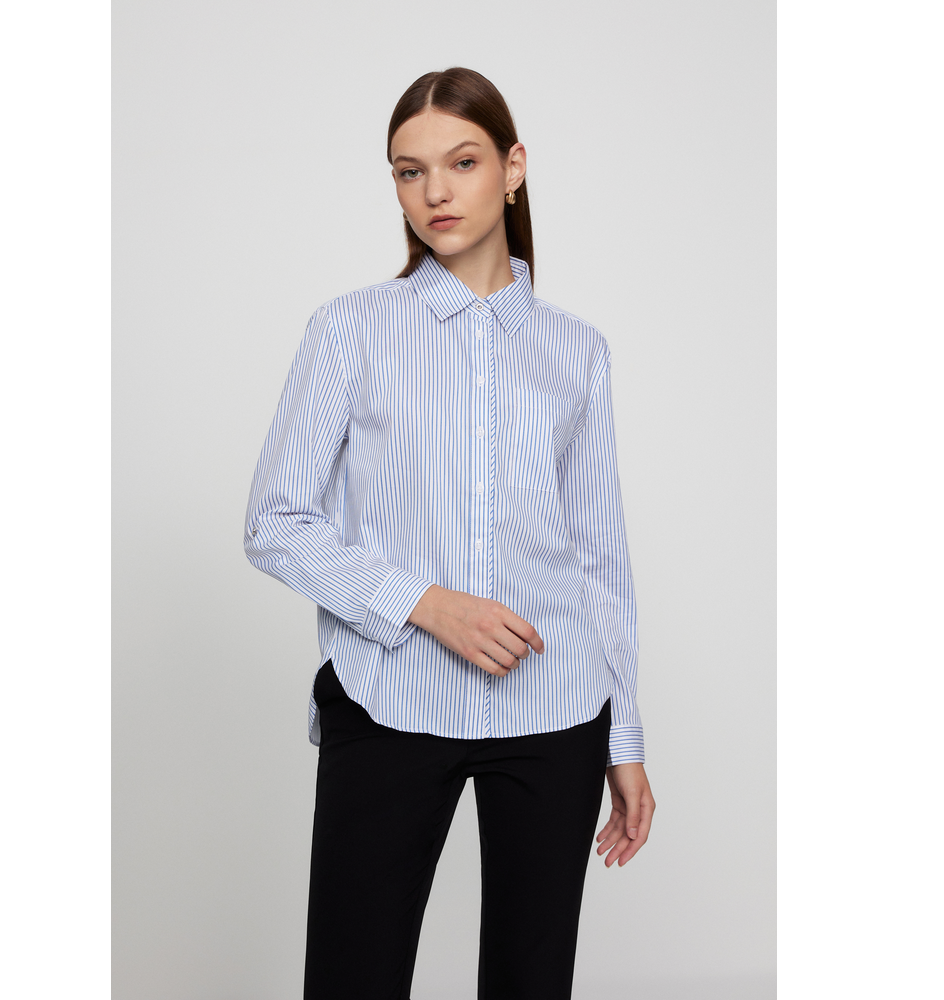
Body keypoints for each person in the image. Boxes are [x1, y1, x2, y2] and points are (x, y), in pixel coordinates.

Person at [244, 66, 655, 1000]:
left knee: (531, 983)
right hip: (388, 697)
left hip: (557, 710)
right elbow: (273, 521)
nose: (434, 191)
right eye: (409, 170)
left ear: (513, 168)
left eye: (462, 162)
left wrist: (623, 740)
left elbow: (599, 558)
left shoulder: (577, 350)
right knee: (352, 979)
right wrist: (426, 605)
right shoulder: (350, 331)